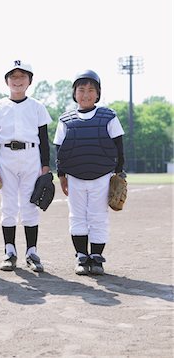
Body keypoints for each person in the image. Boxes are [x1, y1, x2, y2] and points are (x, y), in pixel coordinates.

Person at [53, 70, 125, 275]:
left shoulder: (108, 116)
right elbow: (59, 149)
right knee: (77, 216)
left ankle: (97, 258)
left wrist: (119, 173)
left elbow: (119, 147)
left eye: (91, 90)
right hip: (75, 176)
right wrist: (62, 175)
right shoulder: (66, 119)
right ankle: (81, 256)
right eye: (81, 89)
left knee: (98, 216)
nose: (86, 94)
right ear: (74, 93)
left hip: (102, 175)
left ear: (98, 93)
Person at [0, 60, 52, 272]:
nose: (17, 81)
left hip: (31, 157)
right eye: (13, 77)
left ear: (30, 81)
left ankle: (31, 252)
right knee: (8, 206)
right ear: (7, 81)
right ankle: (9, 251)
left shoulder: (37, 107)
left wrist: (45, 167)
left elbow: (44, 139)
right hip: (5, 157)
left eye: (22, 76)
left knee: (29, 206)